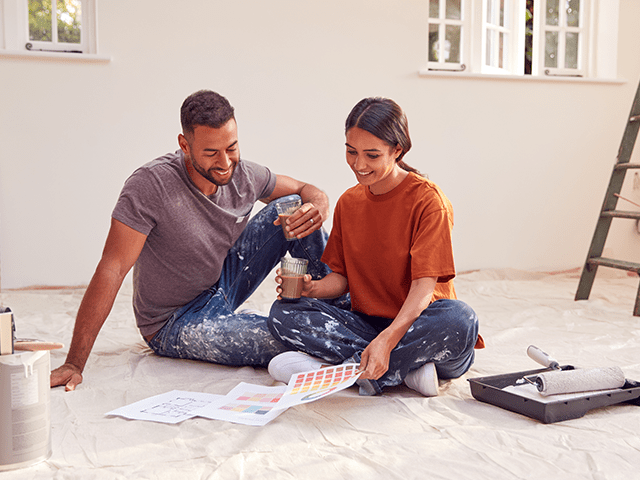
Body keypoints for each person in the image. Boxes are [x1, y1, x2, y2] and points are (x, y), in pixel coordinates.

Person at [50, 90, 332, 391]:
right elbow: (113, 268)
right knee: (285, 334)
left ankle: (346, 309)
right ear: (185, 145)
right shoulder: (150, 185)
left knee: (293, 205)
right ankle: (344, 336)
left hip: (222, 286)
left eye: (232, 147)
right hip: (174, 322)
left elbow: (305, 189)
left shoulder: (244, 174)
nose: (225, 162)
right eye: (211, 153)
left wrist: (320, 203)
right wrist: (74, 363)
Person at [267, 97, 484, 397]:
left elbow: (424, 289)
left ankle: (348, 369)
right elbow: (342, 279)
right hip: (369, 325)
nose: (359, 164)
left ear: (397, 150)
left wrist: (389, 340)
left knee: (461, 319)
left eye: (372, 155)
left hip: (421, 328)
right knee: (282, 313)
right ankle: (403, 371)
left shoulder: (429, 202)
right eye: (351, 151)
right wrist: (310, 289)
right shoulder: (349, 202)